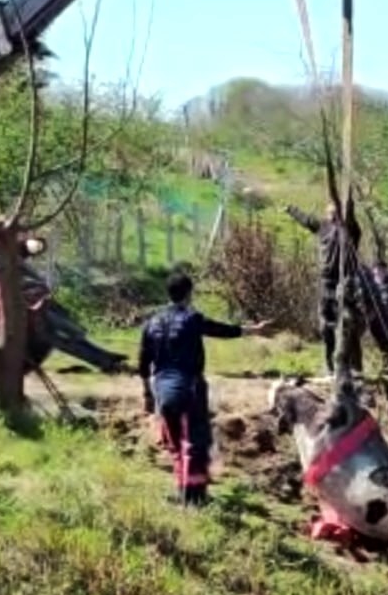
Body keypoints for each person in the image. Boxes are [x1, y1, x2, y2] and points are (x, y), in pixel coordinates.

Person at [138, 271, 269, 506]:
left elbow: (143, 362)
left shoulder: (151, 322)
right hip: (189, 387)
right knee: (196, 443)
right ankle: (195, 499)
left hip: (162, 389)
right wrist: (253, 330)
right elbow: (221, 330)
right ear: (189, 293)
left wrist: (148, 394)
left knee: (177, 445)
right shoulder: (192, 318)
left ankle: (184, 493)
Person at [283, 200, 364, 377]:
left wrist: (347, 204)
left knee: (347, 325)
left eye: (335, 213)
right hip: (326, 283)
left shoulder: (350, 230)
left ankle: (352, 366)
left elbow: (350, 216)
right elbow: (307, 220)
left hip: (345, 283)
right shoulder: (323, 227)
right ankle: (329, 365)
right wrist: (291, 209)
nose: (332, 216)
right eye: (330, 213)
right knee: (326, 327)